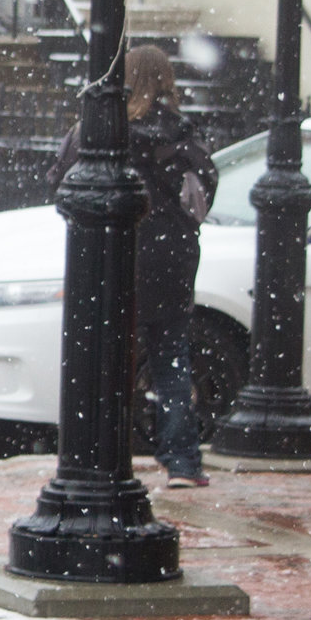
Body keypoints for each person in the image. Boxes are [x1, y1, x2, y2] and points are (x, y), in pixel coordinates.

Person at [50, 45, 219, 488]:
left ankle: (101, 453)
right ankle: (182, 460)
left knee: (105, 357)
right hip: (170, 258)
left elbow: (63, 189)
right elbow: (199, 202)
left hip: (112, 255)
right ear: (166, 81)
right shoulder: (184, 136)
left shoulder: (97, 130)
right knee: (170, 358)